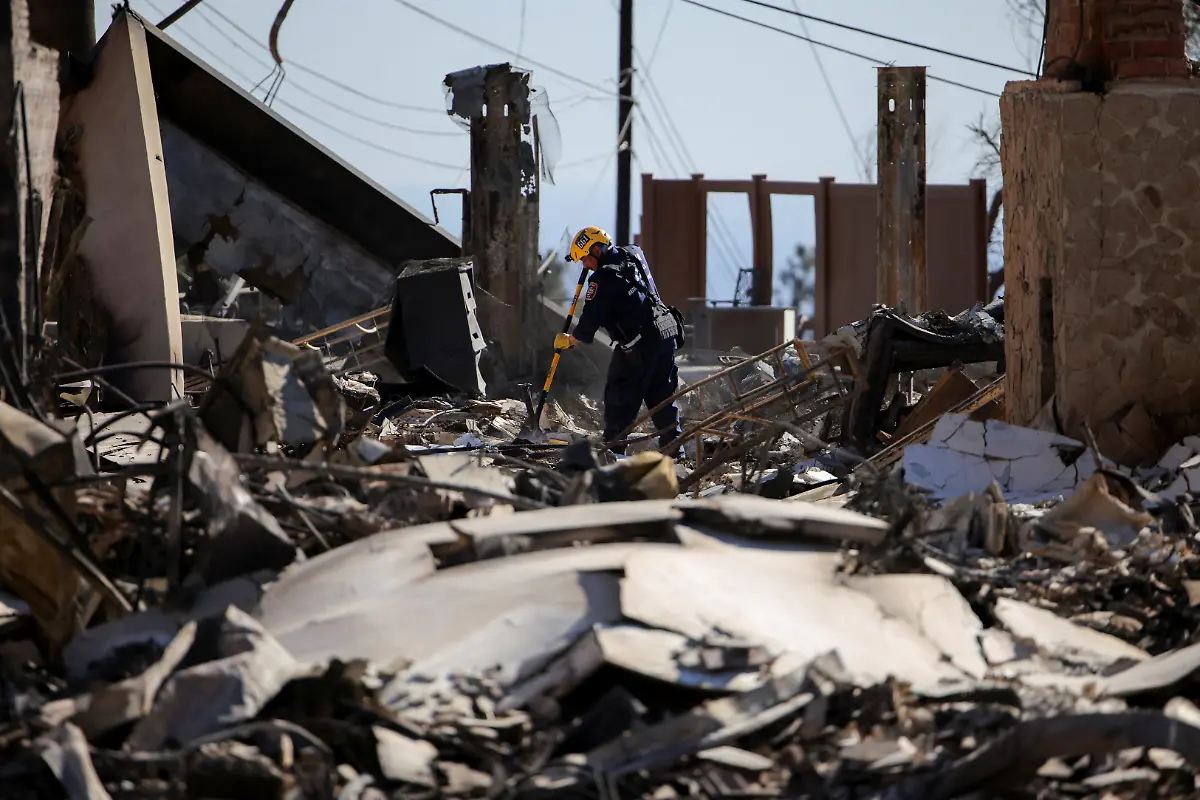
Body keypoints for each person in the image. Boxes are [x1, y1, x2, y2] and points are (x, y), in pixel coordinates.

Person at [556, 226, 683, 455]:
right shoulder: (633, 254)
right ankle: (676, 454)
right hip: (664, 335)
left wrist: (569, 340)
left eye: (585, 259)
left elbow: (589, 322)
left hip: (638, 348)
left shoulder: (602, 281)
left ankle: (614, 455)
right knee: (663, 399)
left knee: (619, 401)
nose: (584, 265)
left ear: (597, 250)